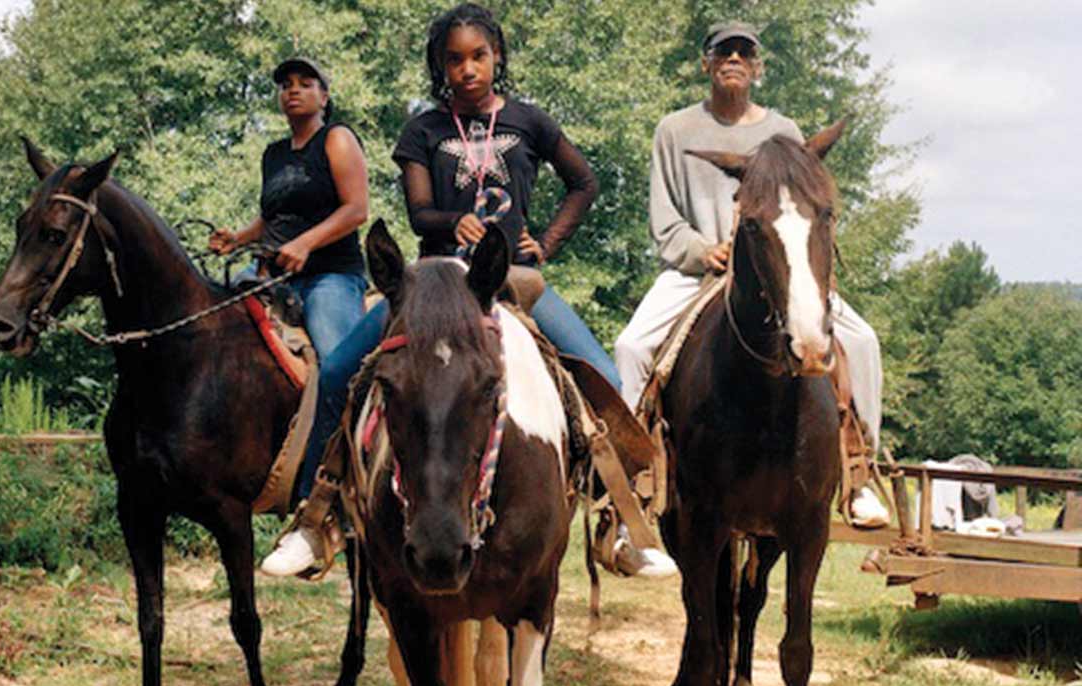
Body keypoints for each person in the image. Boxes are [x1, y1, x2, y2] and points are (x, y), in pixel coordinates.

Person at [261, 3, 675, 578]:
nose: (467, 69)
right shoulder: (423, 130)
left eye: (478, 56)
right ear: (441, 67)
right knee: (336, 375)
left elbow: (583, 182)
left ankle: (619, 521)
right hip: (433, 284)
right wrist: (451, 222)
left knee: (601, 373)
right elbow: (417, 211)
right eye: (454, 60)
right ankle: (317, 518)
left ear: (496, 56)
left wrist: (547, 242)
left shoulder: (529, 121)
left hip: (513, 280)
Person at [613, 21, 890, 528]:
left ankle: (859, 471)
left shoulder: (783, 132)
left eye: (744, 52)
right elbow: (665, 218)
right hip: (697, 270)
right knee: (631, 346)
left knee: (864, 342)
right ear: (706, 63)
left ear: (757, 67)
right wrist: (702, 250)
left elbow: (800, 210)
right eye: (723, 52)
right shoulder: (673, 131)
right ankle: (632, 480)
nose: (734, 59)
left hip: (777, 271)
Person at [210, 56, 370, 368]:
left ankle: (353, 414)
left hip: (328, 277)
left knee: (338, 364)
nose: (293, 91)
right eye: (286, 86)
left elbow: (356, 209)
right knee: (211, 326)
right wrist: (237, 239)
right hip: (270, 276)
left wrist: (304, 244)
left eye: (305, 85)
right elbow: (273, 216)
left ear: (324, 97)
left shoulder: (336, 138)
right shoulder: (274, 154)